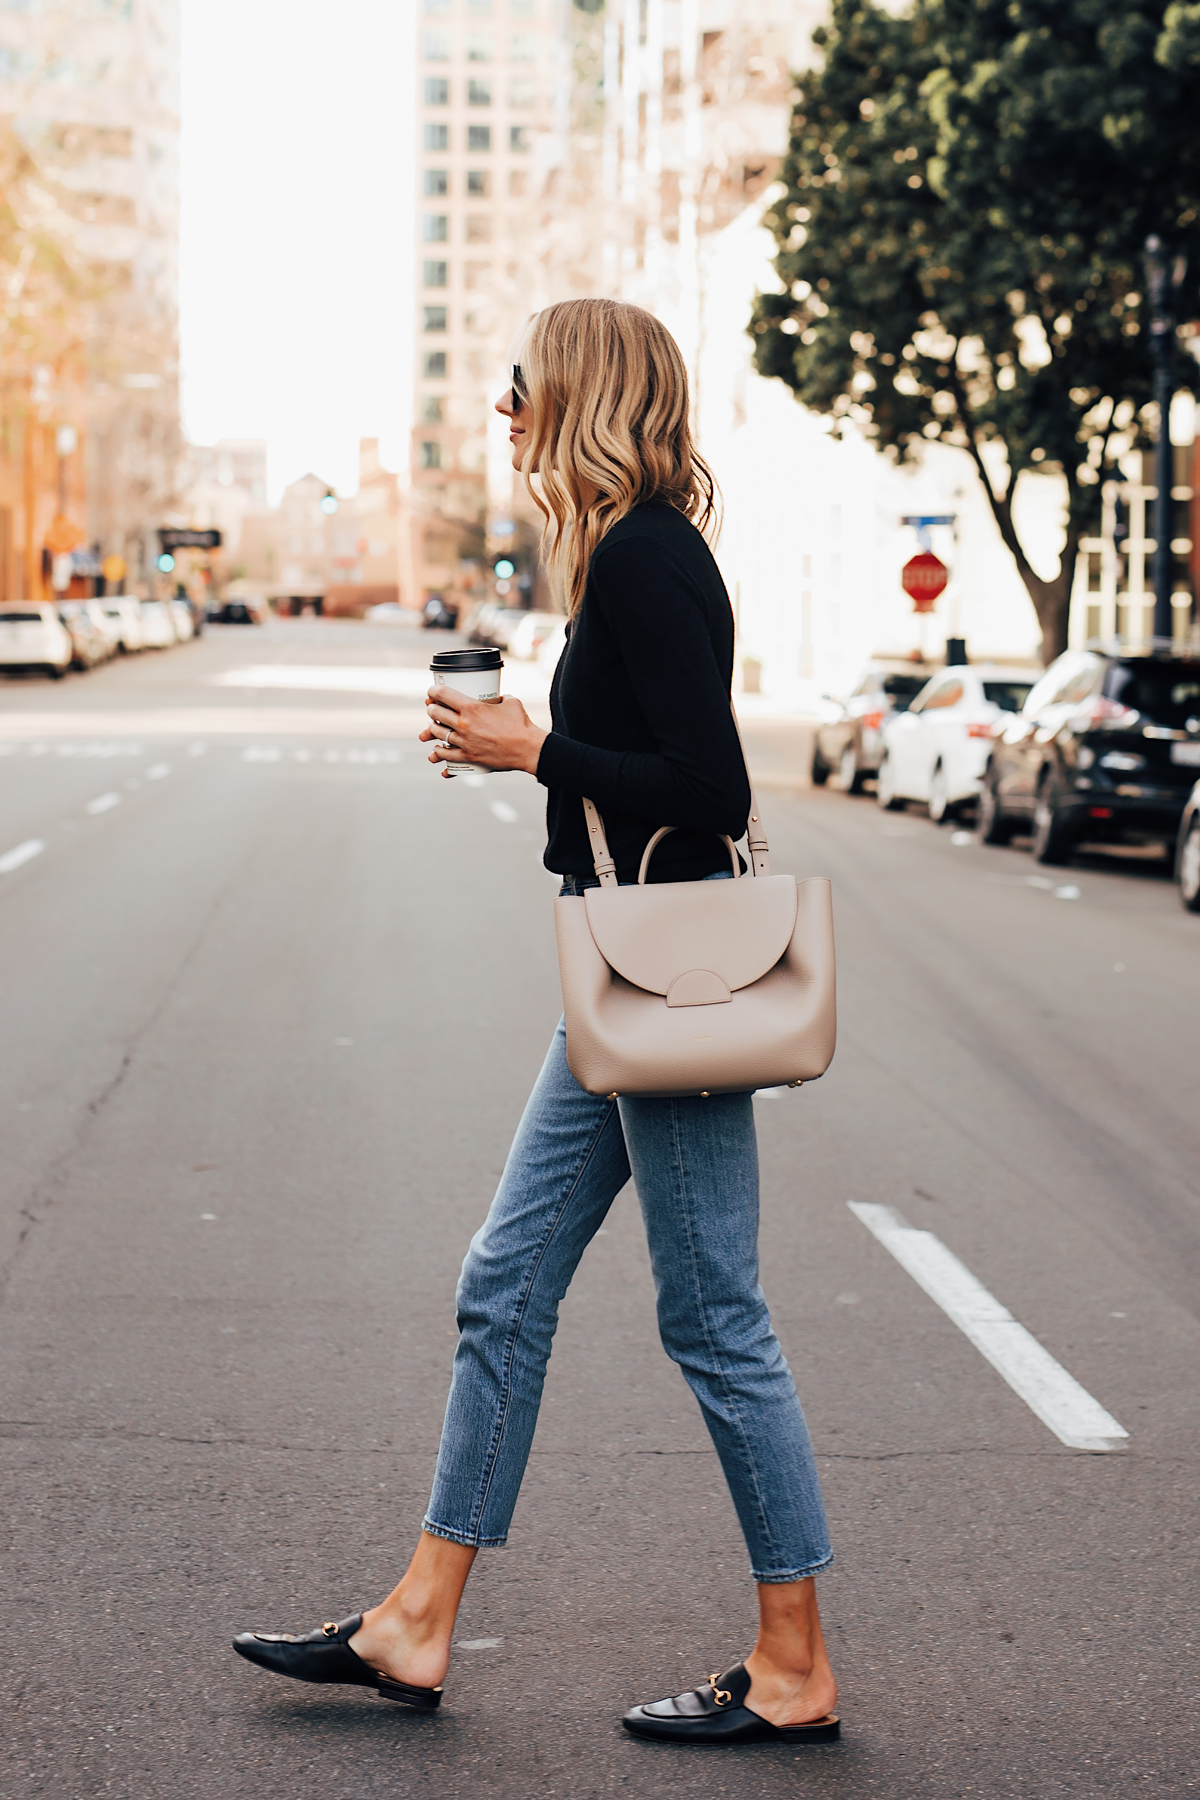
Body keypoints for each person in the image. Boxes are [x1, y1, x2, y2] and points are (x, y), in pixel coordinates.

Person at [232, 298, 839, 1747]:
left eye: (519, 389)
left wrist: (535, 747)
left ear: (579, 396)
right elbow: (646, 766)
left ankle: (797, 1661)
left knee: (715, 1320)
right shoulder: (621, 558)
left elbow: (709, 779)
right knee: (503, 1283)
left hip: (670, 991)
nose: (504, 413)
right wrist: (535, 762)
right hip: (617, 988)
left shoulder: (643, 560)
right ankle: (417, 1622)